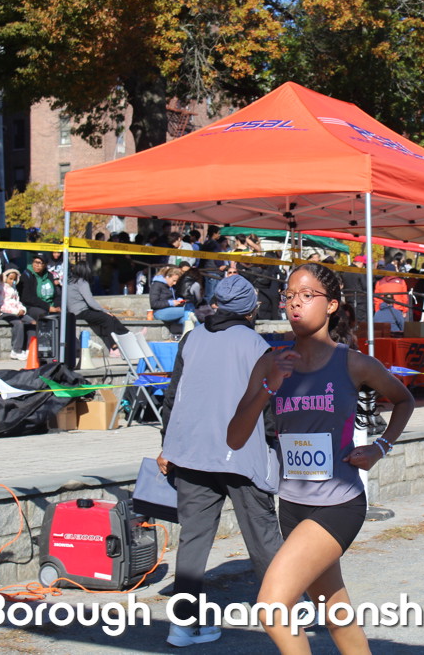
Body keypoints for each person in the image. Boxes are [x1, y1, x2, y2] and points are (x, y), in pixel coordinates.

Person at [227, 262, 415, 653]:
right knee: (335, 612)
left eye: (307, 295)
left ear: (331, 305)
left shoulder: (353, 363)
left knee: (272, 607)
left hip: (339, 504)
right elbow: (235, 436)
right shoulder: (271, 362)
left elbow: (404, 400)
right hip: (292, 506)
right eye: (289, 296)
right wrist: (269, 387)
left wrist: (381, 447)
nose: (295, 303)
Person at [156, 276, 283, 648]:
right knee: (263, 536)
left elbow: (172, 396)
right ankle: (287, 609)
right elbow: (269, 408)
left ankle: (183, 626)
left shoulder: (191, 339)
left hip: (192, 453)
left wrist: (167, 445)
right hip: (241, 453)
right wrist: (275, 447)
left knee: (193, 541)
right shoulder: (257, 345)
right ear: (251, 309)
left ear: (216, 304)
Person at [66, 260, 129, 357]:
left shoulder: (70, 282)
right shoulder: (82, 282)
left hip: (74, 312)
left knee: (112, 318)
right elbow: (91, 302)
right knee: (108, 319)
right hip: (81, 312)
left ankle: (128, 335)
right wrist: (104, 311)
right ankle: (114, 348)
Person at [0, 268, 35, 360]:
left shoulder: (14, 289)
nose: (12, 281)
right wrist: (15, 312)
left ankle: (29, 348)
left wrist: (22, 309)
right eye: (10, 279)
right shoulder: (0, 288)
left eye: (14, 279)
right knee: (18, 323)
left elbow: (17, 302)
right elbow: (0, 306)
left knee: (32, 322)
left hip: (17, 312)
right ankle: (16, 350)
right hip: (3, 313)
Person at [150, 265, 196, 334]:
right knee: (189, 310)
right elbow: (154, 304)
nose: (175, 283)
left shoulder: (173, 286)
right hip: (159, 312)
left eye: (176, 281)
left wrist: (180, 300)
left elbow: (177, 296)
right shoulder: (156, 285)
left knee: (187, 319)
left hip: (173, 310)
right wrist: (171, 303)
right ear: (167, 277)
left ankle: (188, 336)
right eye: (174, 280)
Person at [17, 253, 60, 321]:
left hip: (50, 305)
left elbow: (56, 294)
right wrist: (47, 307)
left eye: (40, 263)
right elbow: (26, 298)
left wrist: (57, 306)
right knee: (43, 315)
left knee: (65, 315)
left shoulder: (50, 276)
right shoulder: (26, 275)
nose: (37, 265)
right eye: (35, 262)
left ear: (45, 265)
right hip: (32, 306)